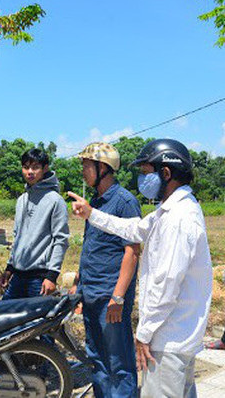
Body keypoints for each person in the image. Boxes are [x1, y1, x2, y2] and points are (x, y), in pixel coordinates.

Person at [69, 139, 213, 398]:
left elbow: (166, 284)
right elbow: (133, 229)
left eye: (147, 172)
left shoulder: (178, 219)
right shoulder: (167, 212)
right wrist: (91, 213)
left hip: (169, 338)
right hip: (172, 336)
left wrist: (143, 334)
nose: (142, 179)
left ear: (165, 173)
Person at [69, 142, 141, 398]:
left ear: (102, 167)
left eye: (86, 166)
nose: (83, 171)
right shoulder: (95, 203)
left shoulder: (124, 202)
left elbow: (132, 252)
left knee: (117, 360)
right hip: (92, 293)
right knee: (97, 357)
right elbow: (92, 247)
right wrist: (79, 283)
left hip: (111, 297)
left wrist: (118, 297)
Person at [0, 148, 69, 300]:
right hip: (17, 276)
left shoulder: (55, 201)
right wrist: (9, 268)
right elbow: (18, 237)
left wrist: (52, 276)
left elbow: (61, 240)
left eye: (35, 167)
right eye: (26, 167)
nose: (29, 171)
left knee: (37, 323)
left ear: (45, 168)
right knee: (6, 319)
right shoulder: (22, 200)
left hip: (39, 279)